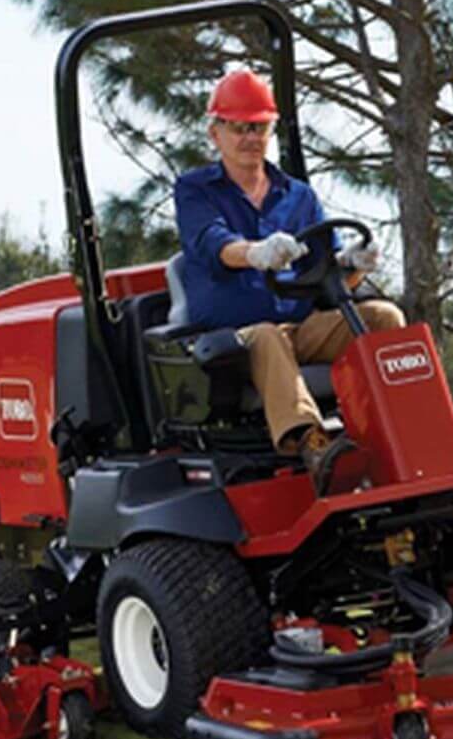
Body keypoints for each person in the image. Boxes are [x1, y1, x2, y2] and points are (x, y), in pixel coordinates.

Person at [173, 68, 405, 493]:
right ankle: (314, 445)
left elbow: (327, 274)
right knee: (265, 336)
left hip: (301, 328)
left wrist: (352, 264)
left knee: (384, 317)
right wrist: (255, 253)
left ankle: (399, 430)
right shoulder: (196, 191)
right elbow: (213, 243)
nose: (250, 137)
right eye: (239, 128)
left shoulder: (298, 195)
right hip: (234, 341)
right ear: (216, 133)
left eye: (259, 127)